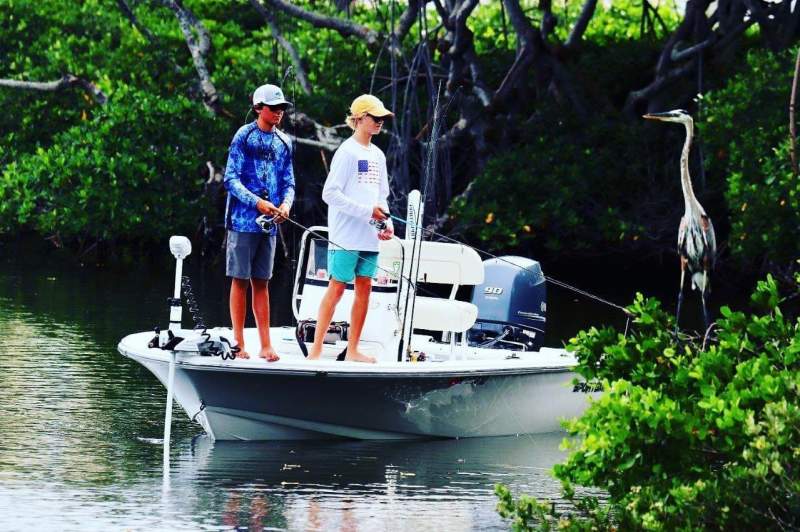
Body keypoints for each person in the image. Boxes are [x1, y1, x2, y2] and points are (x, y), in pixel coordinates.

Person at [307, 94, 394, 363]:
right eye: (374, 117)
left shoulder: (378, 155)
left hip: (370, 237)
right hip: (345, 236)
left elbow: (382, 196)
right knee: (336, 288)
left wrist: (385, 222)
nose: (379, 122)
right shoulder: (346, 152)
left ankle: (353, 350)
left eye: (382, 118)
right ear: (358, 119)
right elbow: (329, 194)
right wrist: (367, 211)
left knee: (365, 289)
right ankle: (316, 350)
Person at [223, 83, 294, 361]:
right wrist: (257, 202)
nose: (278, 113)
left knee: (262, 282)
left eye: (282, 109)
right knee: (240, 280)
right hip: (242, 222)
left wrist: (285, 206)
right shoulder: (244, 136)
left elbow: (289, 182)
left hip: (271, 224)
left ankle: (266, 344)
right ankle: (238, 342)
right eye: (273, 108)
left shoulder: (284, 142)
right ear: (258, 108)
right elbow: (230, 179)